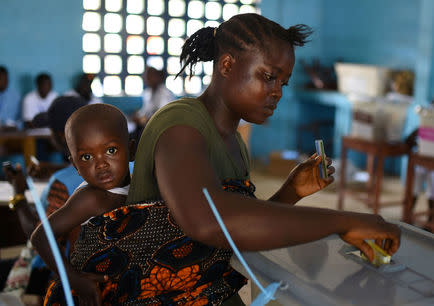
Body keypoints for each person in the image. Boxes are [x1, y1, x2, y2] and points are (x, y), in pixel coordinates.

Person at [123, 13, 400, 305]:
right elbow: (207, 221)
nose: (277, 92)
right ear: (227, 65)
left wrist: (291, 191)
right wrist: (343, 221)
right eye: (269, 77)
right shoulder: (179, 125)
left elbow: (237, 231)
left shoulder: (233, 142)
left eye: (284, 82)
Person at [31, 104, 135, 305]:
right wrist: (75, 280)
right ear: (75, 166)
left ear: (130, 150)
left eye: (110, 150)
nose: (101, 164)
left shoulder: (139, 178)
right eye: (87, 157)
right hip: (91, 292)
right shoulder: (92, 198)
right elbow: (41, 236)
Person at [0, 96, 87, 297]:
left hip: (54, 272)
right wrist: (51, 168)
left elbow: (39, 236)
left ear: (59, 135)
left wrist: (19, 194)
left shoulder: (61, 183)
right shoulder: (121, 169)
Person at [130, 66, 175, 144]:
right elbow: (145, 112)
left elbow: (163, 115)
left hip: (160, 129)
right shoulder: (148, 92)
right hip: (148, 126)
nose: (146, 78)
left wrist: (144, 120)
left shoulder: (165, 93)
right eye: (146, 76)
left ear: (158, 77)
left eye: (150, 76)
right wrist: (138, 117)